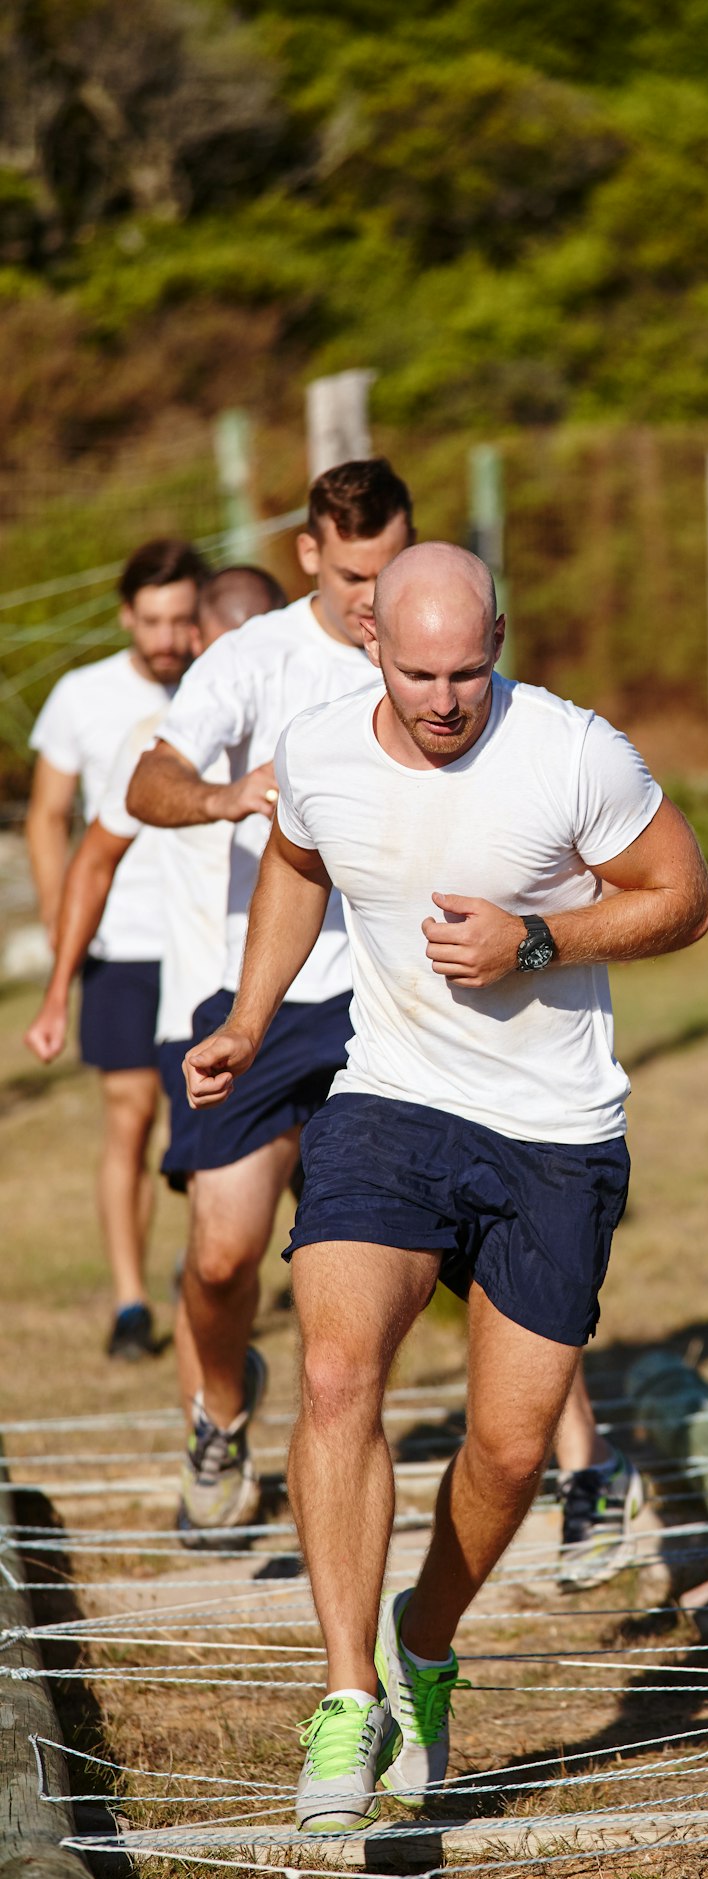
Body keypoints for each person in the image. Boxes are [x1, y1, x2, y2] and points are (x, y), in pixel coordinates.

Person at [181, 542, 708, 1832]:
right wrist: (253, 1019)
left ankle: (427, 1637)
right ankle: (347, 1692)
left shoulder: (573, 751)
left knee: (513, 1444)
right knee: (333, 1369)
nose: (444, 698)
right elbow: (300, 866)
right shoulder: (317, 750)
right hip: (390, 1100)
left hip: (554, 1132)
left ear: (502, 639)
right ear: (372, 645)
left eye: (469, 669)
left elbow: (683, 896)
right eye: (418, 671)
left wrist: (542, 935)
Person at [123, 461, 414, 1542]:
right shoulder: (251, 659)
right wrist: (226, 794)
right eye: (352, 575)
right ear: (309, 555)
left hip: (386, 994)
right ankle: (220, 1409)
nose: (373, 597)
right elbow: (143, 785)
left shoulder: (432, 646)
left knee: (434, 1248)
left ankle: (567, 1465)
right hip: (256, 992)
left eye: (389, 569)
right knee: (220, 1254)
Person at [25, 567, 288, 1421]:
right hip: (186, 994)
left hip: (319, 1010)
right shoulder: (151, 738)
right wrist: (59, 987)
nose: (174, 640)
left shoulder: (330, 715)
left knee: (333, 1241)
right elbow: (83, 847)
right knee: (204, 1238)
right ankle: (200, 1407)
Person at [26, 538, 210, 1357]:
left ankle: (202, 1269)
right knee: (128, 1116)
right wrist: (62, 916)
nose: (169, 636)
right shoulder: (82, 695)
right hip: (120, 945)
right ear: (126, 617)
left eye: (183, 618)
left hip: (202, 941)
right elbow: (46, 817)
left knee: (204, 1133)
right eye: (154, 619)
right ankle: (131, 1302)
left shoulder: (221, 685)